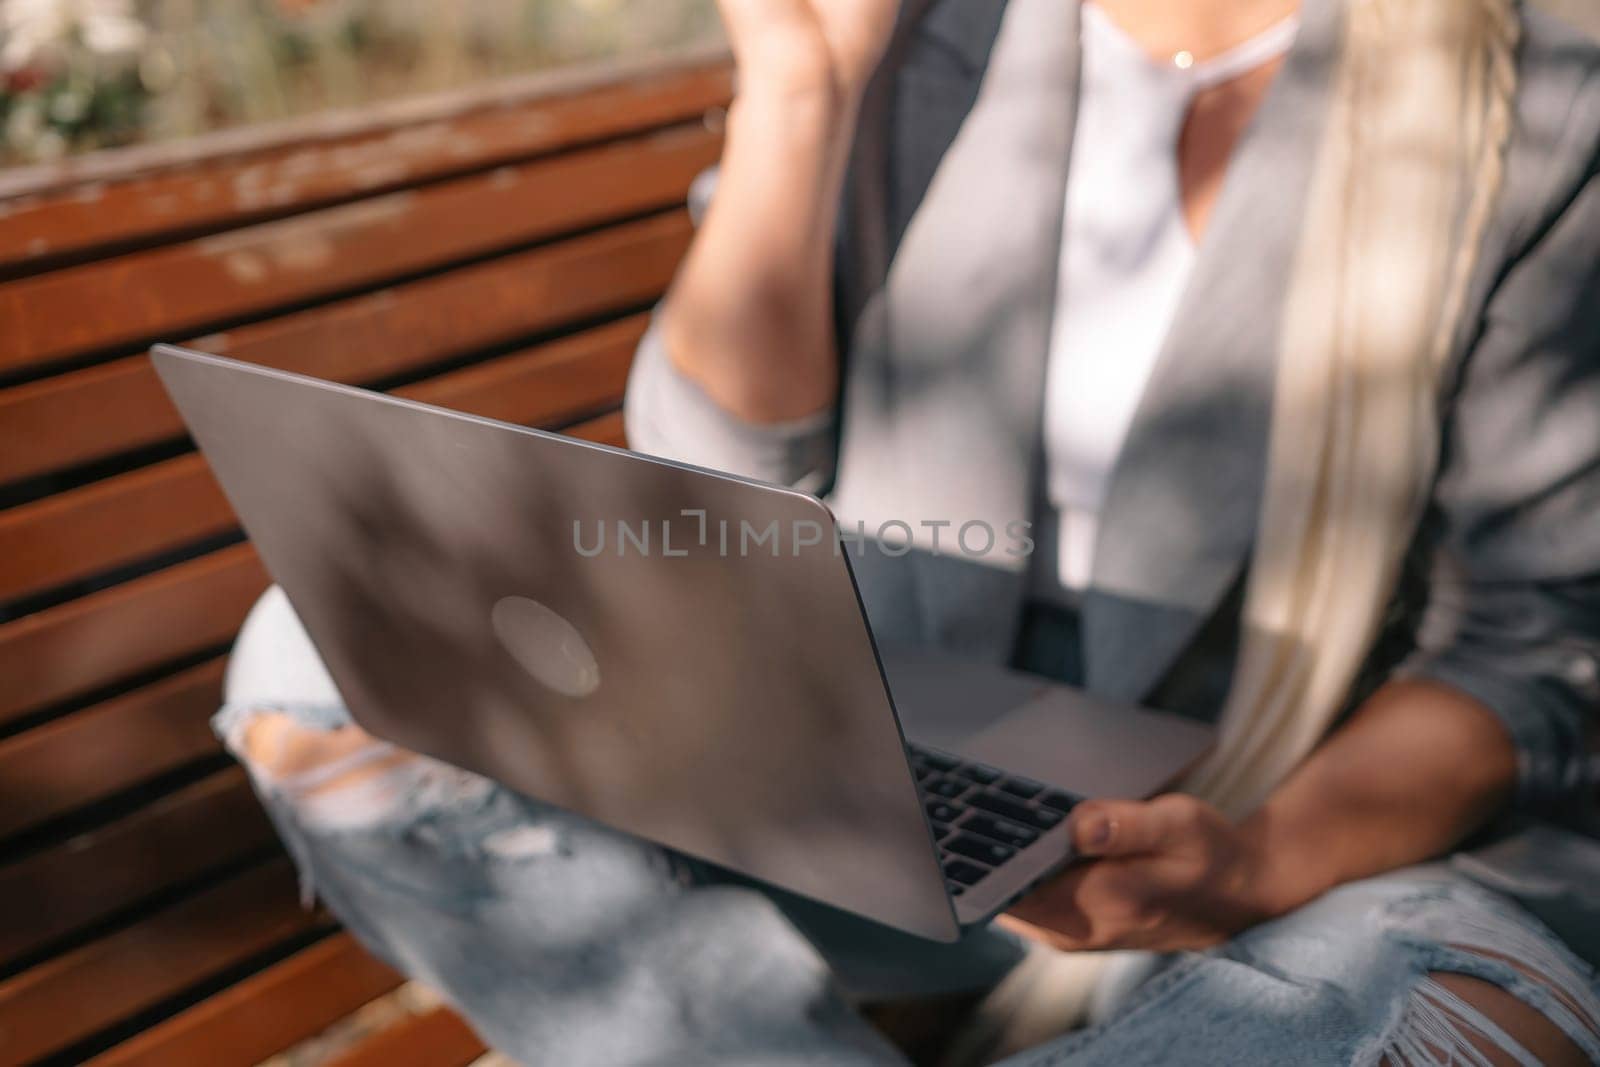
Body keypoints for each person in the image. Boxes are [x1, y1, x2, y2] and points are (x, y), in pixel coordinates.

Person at [220, 0, 1600, 1063]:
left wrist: (1253, 864)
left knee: (1432, 1013)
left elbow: (1530, 649)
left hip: (1291, 811)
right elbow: (715, 484)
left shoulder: (1527, 94)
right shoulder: (937, 28)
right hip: (882, 762)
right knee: (315, 661)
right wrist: (800, 97)